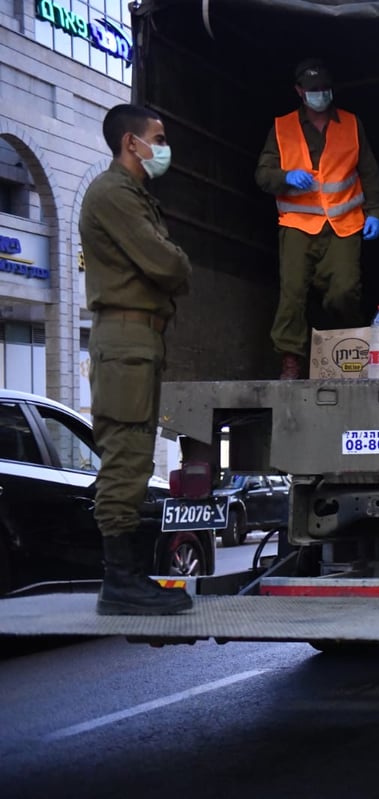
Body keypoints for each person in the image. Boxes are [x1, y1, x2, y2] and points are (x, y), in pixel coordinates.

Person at [80, 105, 194, 616]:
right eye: (158, 137)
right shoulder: (113, 195)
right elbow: (166, 261)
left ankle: (126, 577)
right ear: (131, 142)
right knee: (125, 455)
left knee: (135, 454)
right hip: (125, 339)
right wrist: (174, 262)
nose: (163, 146)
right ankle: (119, 581)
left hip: (138, 340)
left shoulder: (134, 195)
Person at [255, 58, 379, 379]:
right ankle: (290, 360)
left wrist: (376, 213)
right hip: (299, 224)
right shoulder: (282, 127)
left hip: (344, 223)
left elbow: (369, 172)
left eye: (325, 89)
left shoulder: (352, 125)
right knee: (293, 294)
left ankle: (343, 345)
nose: (320, 95)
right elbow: (263, 174)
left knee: (344, 291)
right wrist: (286, 176)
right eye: (313, 90)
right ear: (299, 91)